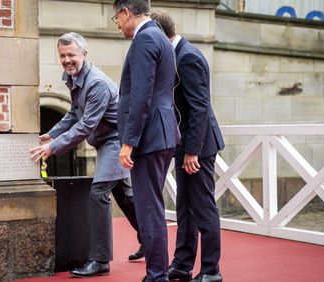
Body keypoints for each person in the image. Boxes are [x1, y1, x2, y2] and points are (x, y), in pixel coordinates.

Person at [29, 32, 142, 277]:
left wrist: (53, 147)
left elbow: (85, 126)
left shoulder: (97, 83)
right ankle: (150, 239)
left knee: (98, 192)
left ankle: (100, 260)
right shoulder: (74, 77)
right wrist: (51, 134)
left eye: (71, 54)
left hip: (115, 140)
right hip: (103, 142)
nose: (67, 59)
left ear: (84, 54)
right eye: (62, 55)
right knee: (125, 195)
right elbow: (73, 113)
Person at [150, 10, 225, 282]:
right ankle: (182, 264)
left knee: (203, 208)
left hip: (200, 146)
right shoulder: (173, 54)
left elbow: (200, 107)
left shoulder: (188, 56)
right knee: (185, 207)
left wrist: (193, 150)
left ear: (159, 34)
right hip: (185, 145)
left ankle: (211, 271)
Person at [112, 1, 180, 281]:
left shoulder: (144, 39)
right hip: (161, 133)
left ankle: (156, 275)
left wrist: (129, 141)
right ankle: (157, 272)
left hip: (149, 137)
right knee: (153, 207)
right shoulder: (160, 37)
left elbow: (141, 96)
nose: (116, 24)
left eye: (116, 17)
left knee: (148, 209)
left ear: (126, 12)